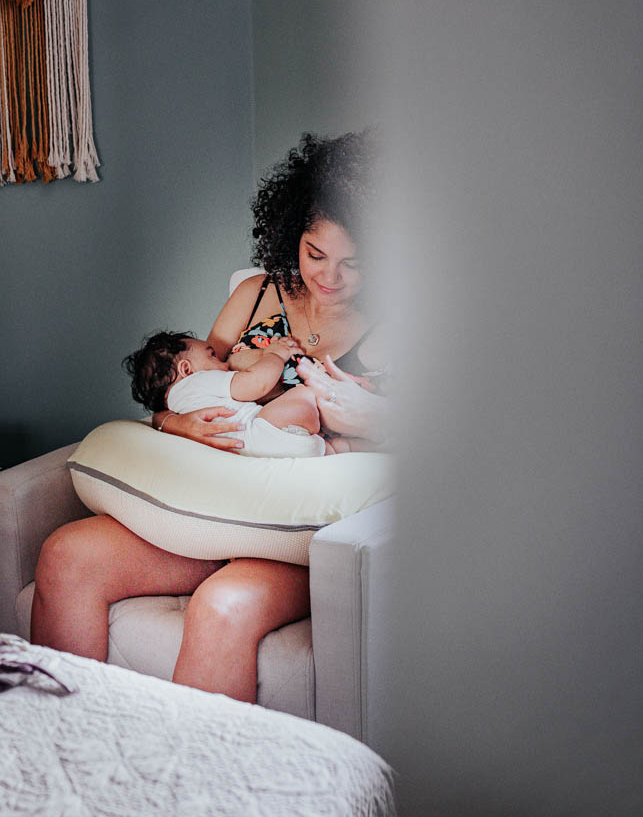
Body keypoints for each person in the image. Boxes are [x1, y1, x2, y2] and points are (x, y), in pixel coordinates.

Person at [31, 130, 386, 702]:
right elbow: (187, 388)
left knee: (223, 605)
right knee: (66, 555)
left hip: (294, 532)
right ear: (292, 233)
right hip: (216, 508)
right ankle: (67, 741)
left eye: (354, 263)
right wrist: (172, 425)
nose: (328, 277)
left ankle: (196, 762)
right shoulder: (256, 294)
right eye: (315, 254)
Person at [124, 330, 356, 457]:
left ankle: (339, 447)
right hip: (266, 429)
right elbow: (256, 384)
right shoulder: (197, 382)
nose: (224, 363)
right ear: (187, 370)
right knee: (306, 392)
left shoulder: (177, 409)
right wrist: (275, 354)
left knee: (328, 450)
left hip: (252, 453)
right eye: (212, 355)